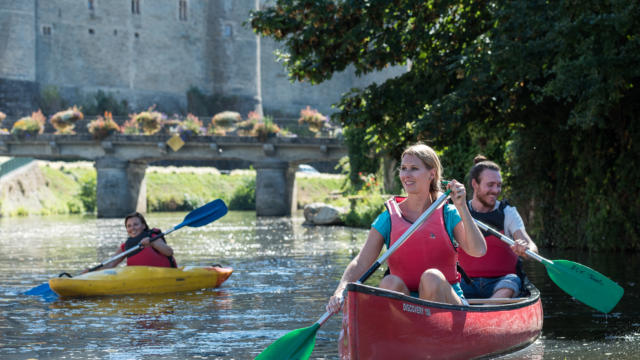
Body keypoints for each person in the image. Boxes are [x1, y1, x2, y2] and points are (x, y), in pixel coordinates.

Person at [326, 143, 486, 314]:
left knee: (431, 277)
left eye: (414, 168)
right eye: (403, 168)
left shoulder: (448, 213)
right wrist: (340, 290)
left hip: (449, 305)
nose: (406, 175)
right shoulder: (388, 217)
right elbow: (361, 261)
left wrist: (462, 207)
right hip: (409, 307)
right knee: (389, 283)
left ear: (431, 174)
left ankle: (434, 331)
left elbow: (478, 250)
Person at [458, 155, 538, 299]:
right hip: (465, 283)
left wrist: (526, 248)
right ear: (475, 184)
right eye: (490, 185)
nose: (496, 190)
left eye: (499, 185)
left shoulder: (508, 213)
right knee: (442, 281)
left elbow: (531, 245)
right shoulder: (459, 211)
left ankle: (483, 312)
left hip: (502, 282)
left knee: (512, 282)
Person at [101, 212, 177, 269]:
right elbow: (111, 263)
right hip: (141, 279)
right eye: (129, 226)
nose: (132, 228)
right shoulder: (125, 246)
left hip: (164, 275)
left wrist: (153, 243)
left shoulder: (153, 237)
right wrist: (92, 271)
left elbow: (169, 252)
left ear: (143, 225)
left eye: (136, 224)